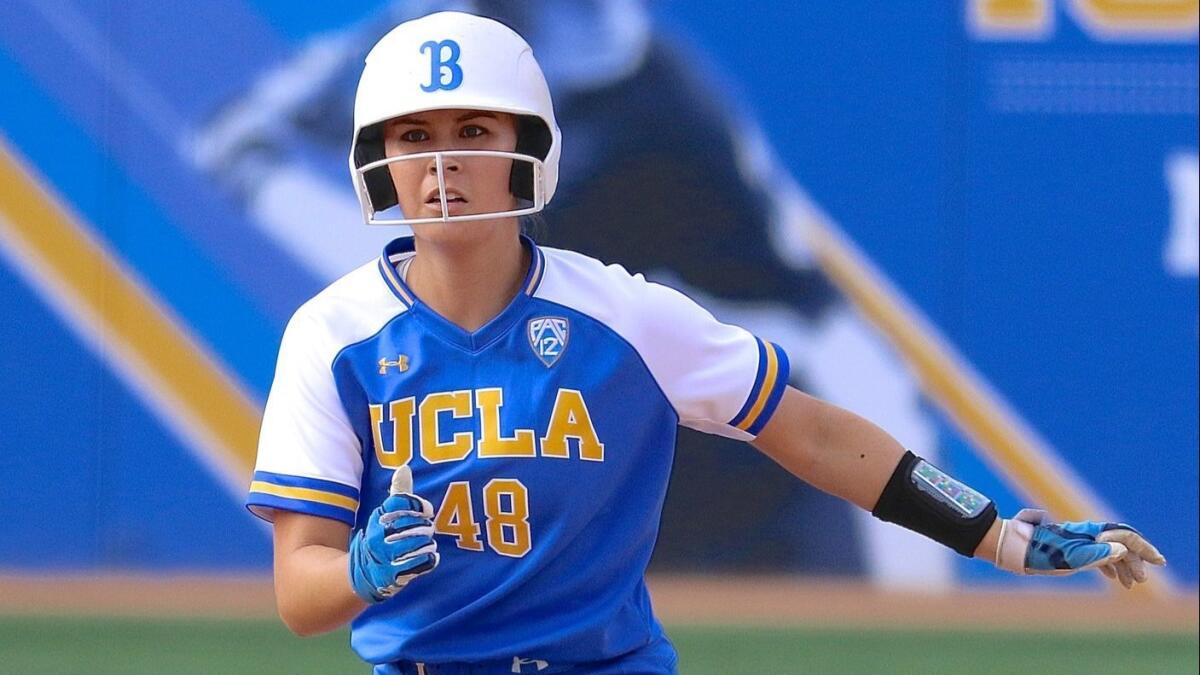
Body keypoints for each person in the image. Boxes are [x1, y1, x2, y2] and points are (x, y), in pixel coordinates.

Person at [245, 11, 1165, 674]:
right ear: (376, 158)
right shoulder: (331, 336)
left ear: (529, 146)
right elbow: (300, 595)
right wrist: (357, 569)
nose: (442, 164)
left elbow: (809, 431)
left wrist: (995, 533)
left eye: (473, 130)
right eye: (415, 136)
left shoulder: (627, 314)